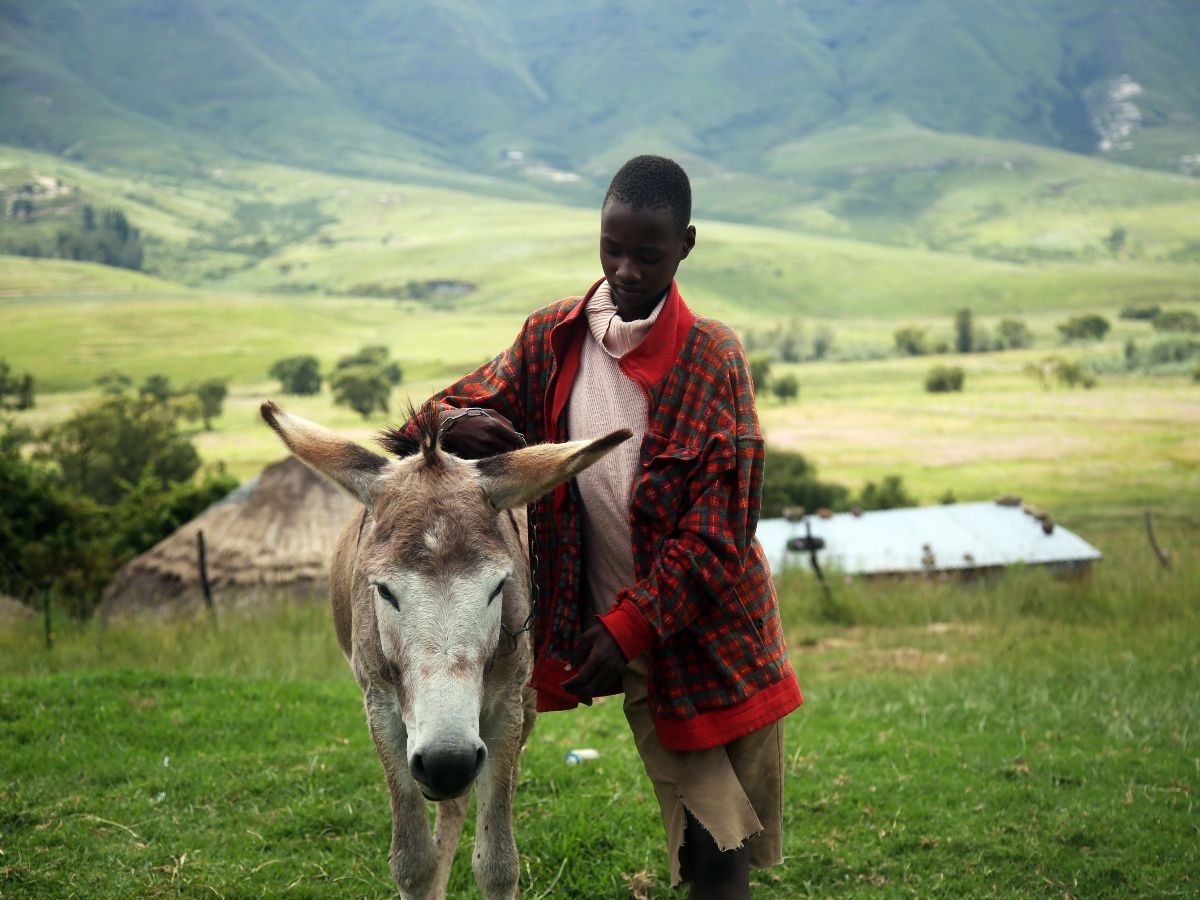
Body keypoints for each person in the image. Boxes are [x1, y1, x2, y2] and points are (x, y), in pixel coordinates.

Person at [419, 155, 802, 898]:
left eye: (649, 255)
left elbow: (719, 535)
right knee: (710, 832)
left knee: (717, 841)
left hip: (705, 638)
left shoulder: (712, 359)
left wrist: (630, 628)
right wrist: (462, 422)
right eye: (612, 248)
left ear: (686, 245)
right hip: (608, 626)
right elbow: (432, 413)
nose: (626, 270)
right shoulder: (553, 340)